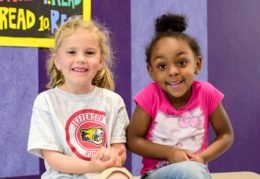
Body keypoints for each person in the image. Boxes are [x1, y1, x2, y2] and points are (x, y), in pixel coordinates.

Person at [127, 13, 234, 179]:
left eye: (182, 63)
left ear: (197, 64)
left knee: (192, 171)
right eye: (162, 66)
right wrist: (170, 153)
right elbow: (133, 140)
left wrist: (202, 158)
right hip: (155, 174)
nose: (173, 72)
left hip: (195, 172)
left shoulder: (206, 93)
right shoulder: (150, 95)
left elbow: (226, 134)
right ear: (152, 72)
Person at [28, 17, 132, 179]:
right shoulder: (46, 102)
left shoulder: (113, 101)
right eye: (71, 52)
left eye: (89, 53)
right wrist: (90, 166)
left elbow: (119, 150)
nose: (81, 59)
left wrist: (114, 156)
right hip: (62, 176)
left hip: (102, 173)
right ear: (57, 61)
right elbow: (53, 159)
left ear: (100, 62)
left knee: (119, 176)